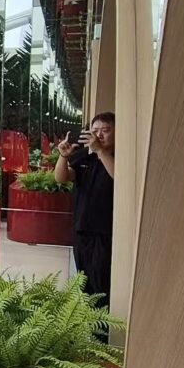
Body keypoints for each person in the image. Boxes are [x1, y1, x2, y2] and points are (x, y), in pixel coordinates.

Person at [55, 112, 115, 304]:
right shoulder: (84, 157)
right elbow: (62, 178)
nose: (99, 135)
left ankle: (102, 322)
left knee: (102, 284)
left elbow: (120, 178)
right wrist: (63, 157)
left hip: (105, 232)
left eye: (105, 130)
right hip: (81, 230)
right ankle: (89, 319)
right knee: (85, 283)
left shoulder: (118, 157)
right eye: (95, 131)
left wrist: (100, 151)